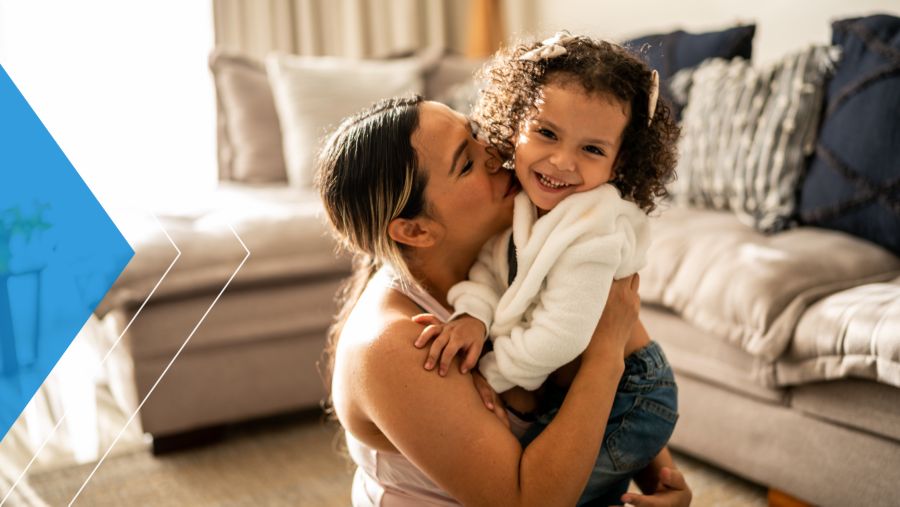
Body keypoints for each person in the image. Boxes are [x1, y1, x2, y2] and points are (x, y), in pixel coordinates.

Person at [317, 94, 691, 506]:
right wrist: (605, 354)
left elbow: (618, 354)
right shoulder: (394, 346)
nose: (497, 152)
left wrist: (659, 478)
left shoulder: (521, 242)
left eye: (476, 134)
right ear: (416, 231)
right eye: (467, 163)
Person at [409, 33, 681, 505]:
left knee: (552, 488)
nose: (562, 162)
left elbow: (563, 335)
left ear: (620, 164)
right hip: (576, 381)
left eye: (592, 150)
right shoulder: (525, 205)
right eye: (547, 133)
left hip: (632, 392)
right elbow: (494, 273)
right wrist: (473, 315)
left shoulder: (594, 229)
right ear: (514, 123)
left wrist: (488, 375)